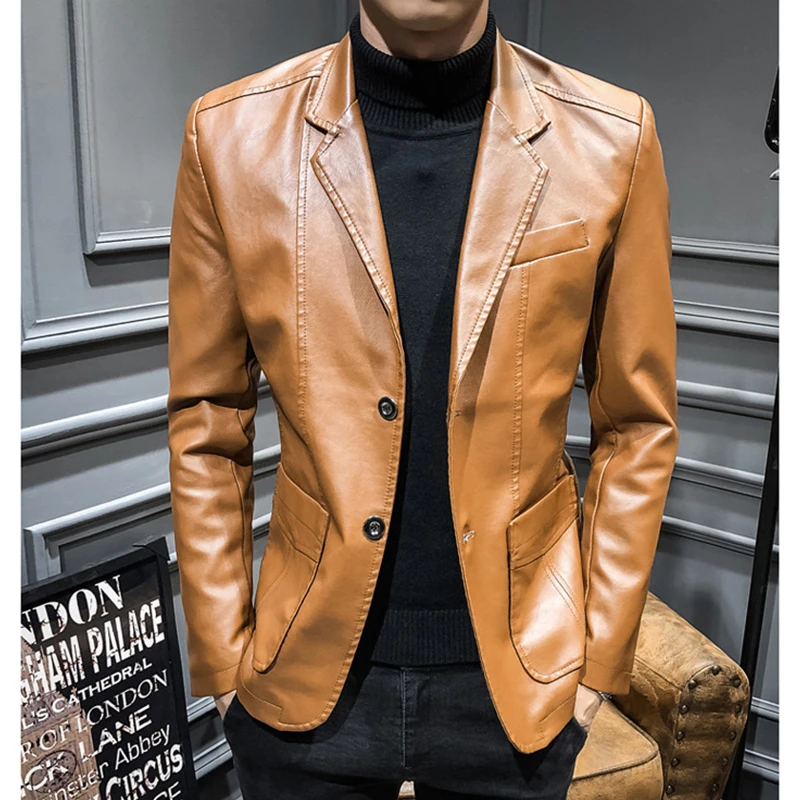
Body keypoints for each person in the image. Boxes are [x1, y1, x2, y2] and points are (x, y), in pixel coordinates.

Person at [166, 0, 679, 797]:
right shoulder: (230, 138)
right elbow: (207, 420)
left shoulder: (612, 139)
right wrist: (222, 663)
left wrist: (598, 664)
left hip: (521, 687)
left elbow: (637, 426)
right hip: (300, 676)